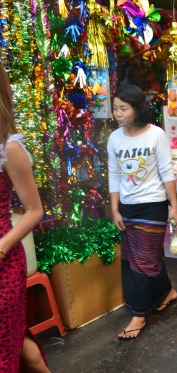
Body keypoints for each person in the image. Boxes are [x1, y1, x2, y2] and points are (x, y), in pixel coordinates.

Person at [108, 84, 177, 341]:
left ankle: (138, 314)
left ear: (137, 109)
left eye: (123, 108)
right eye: (115, 108)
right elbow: (114, 174)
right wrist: (115, 208)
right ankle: (167, 292)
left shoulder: (156, 134)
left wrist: (173, 206)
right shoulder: (115, 138)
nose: (118, 113)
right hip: (126, 206)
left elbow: (166, 170)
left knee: (143, 262)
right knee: (133, 259)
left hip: (153, 204)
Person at [0, 64, 48, 371]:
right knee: (16, 344)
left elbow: (35, 210)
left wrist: (1, 247)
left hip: (4, 262)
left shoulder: (9, 148)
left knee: (7, 346)